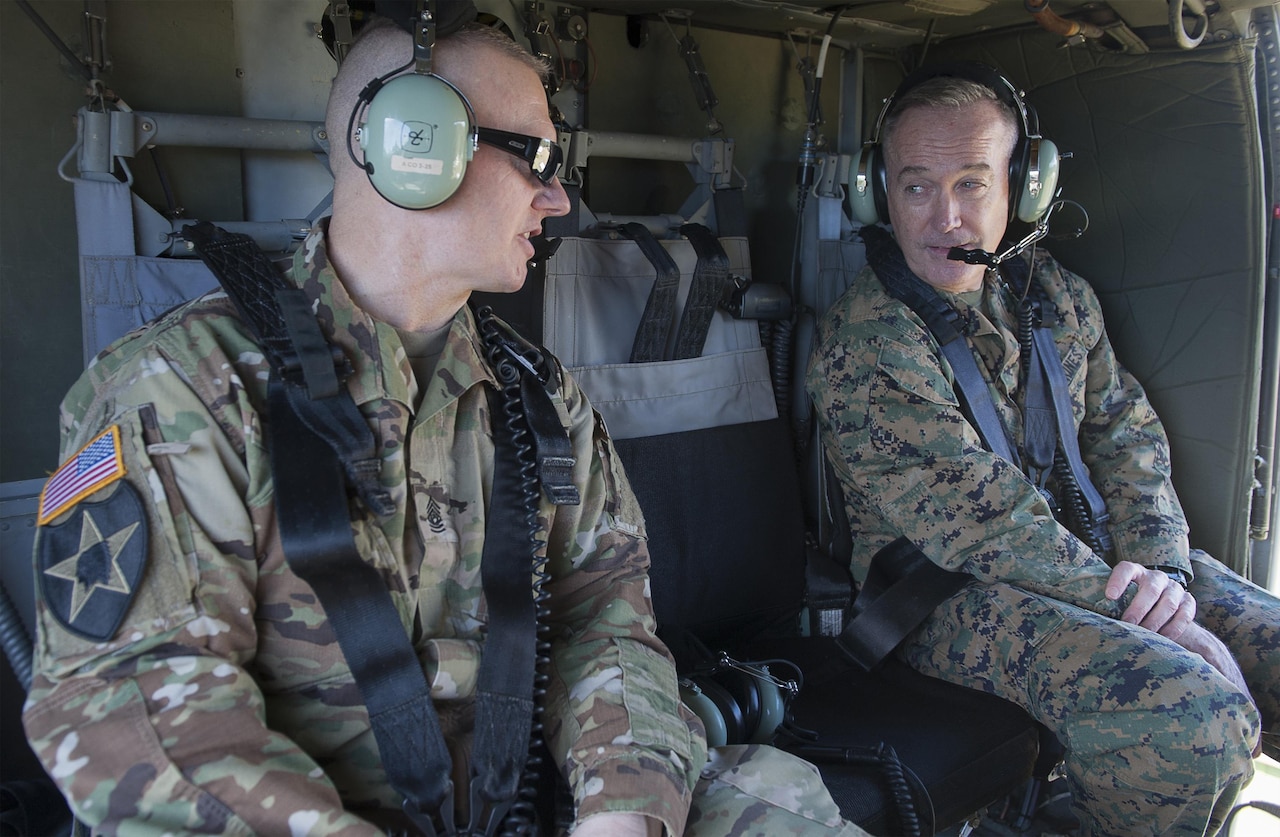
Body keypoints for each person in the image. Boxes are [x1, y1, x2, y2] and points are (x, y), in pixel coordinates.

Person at [22, 12, 863, 837]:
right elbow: (130, 699)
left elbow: (606, 616)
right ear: (410, 148)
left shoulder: (538, 391)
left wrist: (622, 802)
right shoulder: (181, 388)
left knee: (773, 797)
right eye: (534, 156)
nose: (558, 197)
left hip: (522, 801)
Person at [807, 64, 1279, 836]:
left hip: (1093, 566)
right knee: (1196, 722)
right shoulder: (870, 342)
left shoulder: (1050, 295)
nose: (944, 218)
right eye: (917, 187)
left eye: (971, 183)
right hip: (940, 597)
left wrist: (1161, 571)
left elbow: (1125, 435)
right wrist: (1150, 614)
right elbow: (982, 523)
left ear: (1022, 189)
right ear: (879, 191)